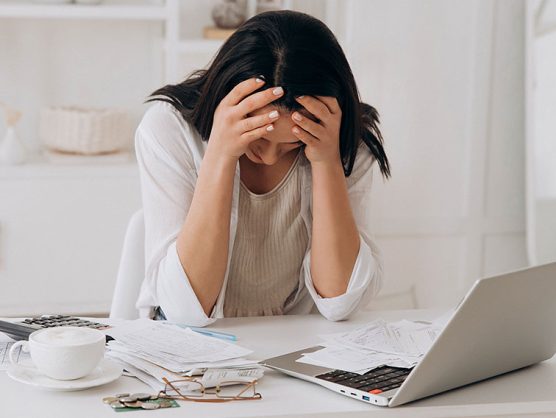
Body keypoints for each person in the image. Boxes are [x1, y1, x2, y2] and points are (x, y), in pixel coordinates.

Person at [134, 10, 390, 326]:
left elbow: (341, 302)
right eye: (258, 138)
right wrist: (221, 154)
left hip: (292, 350)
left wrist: (326, 161)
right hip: (188, 354)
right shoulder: (168, 129)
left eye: (289, 146)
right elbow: (185, 311)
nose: (269, 157)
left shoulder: (340, 138)